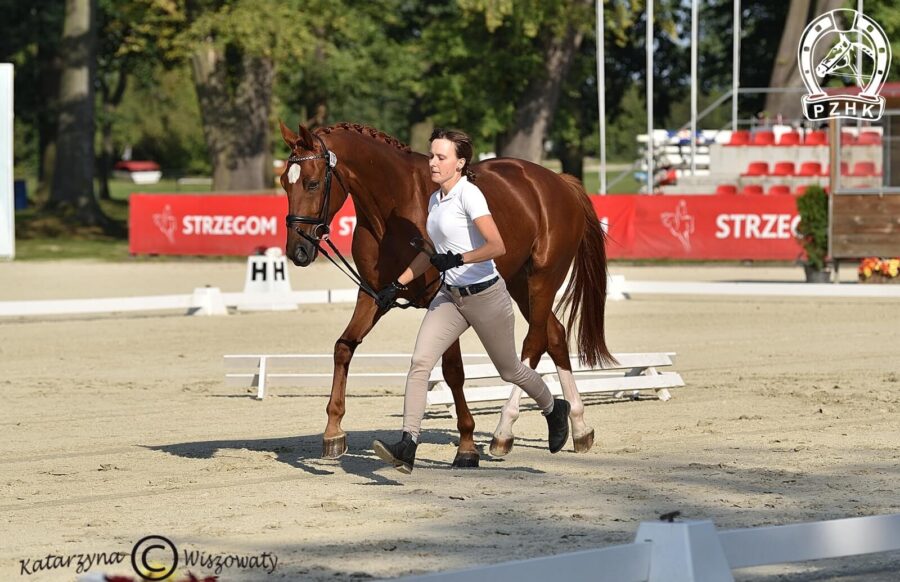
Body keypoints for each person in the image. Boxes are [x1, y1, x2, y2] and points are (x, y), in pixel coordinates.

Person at [371, 128, 570, 474]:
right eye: (431, 155)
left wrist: (460, 259)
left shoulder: (470, 196)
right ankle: (408, 443)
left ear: (460, 163)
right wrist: (396, 285)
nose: (432, 162)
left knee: (510, 370)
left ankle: (554, 408)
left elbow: (497, 246)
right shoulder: (435, 200)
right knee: (420, 363)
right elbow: (431, 253)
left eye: (440, 157)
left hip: (486, 296)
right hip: (449, 298)